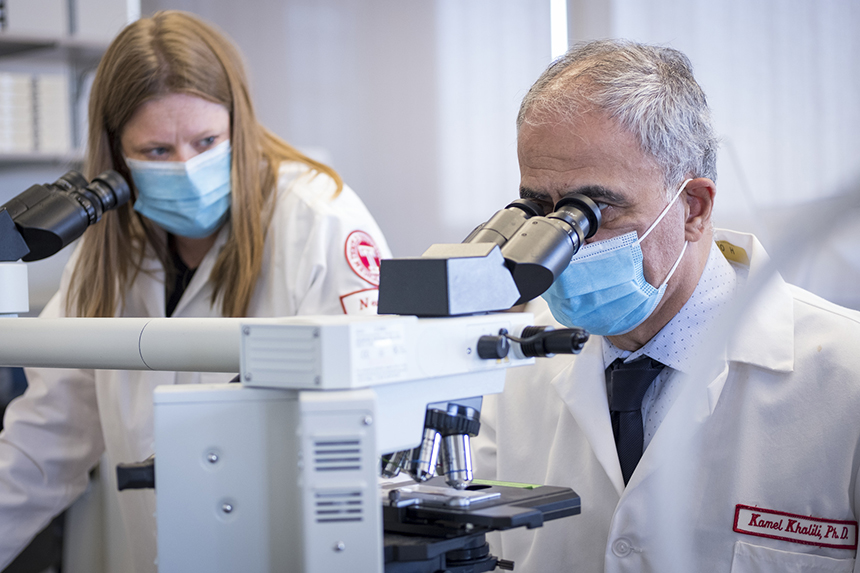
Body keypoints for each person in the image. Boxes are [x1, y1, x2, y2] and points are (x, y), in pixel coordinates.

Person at [0, 11, 390, 573]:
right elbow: (44, 444)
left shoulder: (318, 222)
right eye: (157, 151)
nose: (186, 169)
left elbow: (375, 431)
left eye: (207, 141)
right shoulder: (102, 254)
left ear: (240, 125)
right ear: (115, 156)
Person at [473, 40, 860, 572]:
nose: (563, 246)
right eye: (541, 209)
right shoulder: (513, 365)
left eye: (595, 210)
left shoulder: (846, 375)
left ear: (694, 208)